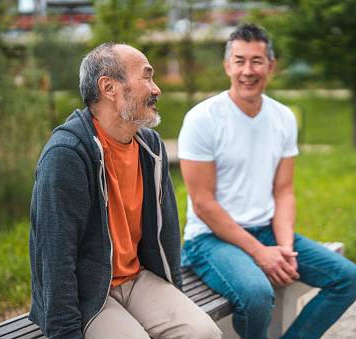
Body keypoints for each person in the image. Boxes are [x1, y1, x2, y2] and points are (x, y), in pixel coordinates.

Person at [178, 23, 356, 338]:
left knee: (348, 278)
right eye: (239, 61)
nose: (248, 70)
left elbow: (283, 191)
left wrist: (285, 248)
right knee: (256, 294)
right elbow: (203, 203)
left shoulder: (283, 117)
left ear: (271, 66)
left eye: (257, 60)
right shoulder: (203, 119)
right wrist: (260, 253)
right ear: (227, 66)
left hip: (265, 229)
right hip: (209, 239)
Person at [29, 42, 222, 339]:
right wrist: (65, 332)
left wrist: (176, 296)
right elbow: (55, 258)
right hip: (89, 291)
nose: (156, 89)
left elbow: (166, 231)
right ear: (109, 87)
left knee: (204, 332)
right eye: (146, 77)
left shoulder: (151, 147)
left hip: (138, 277)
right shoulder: (67, 154)